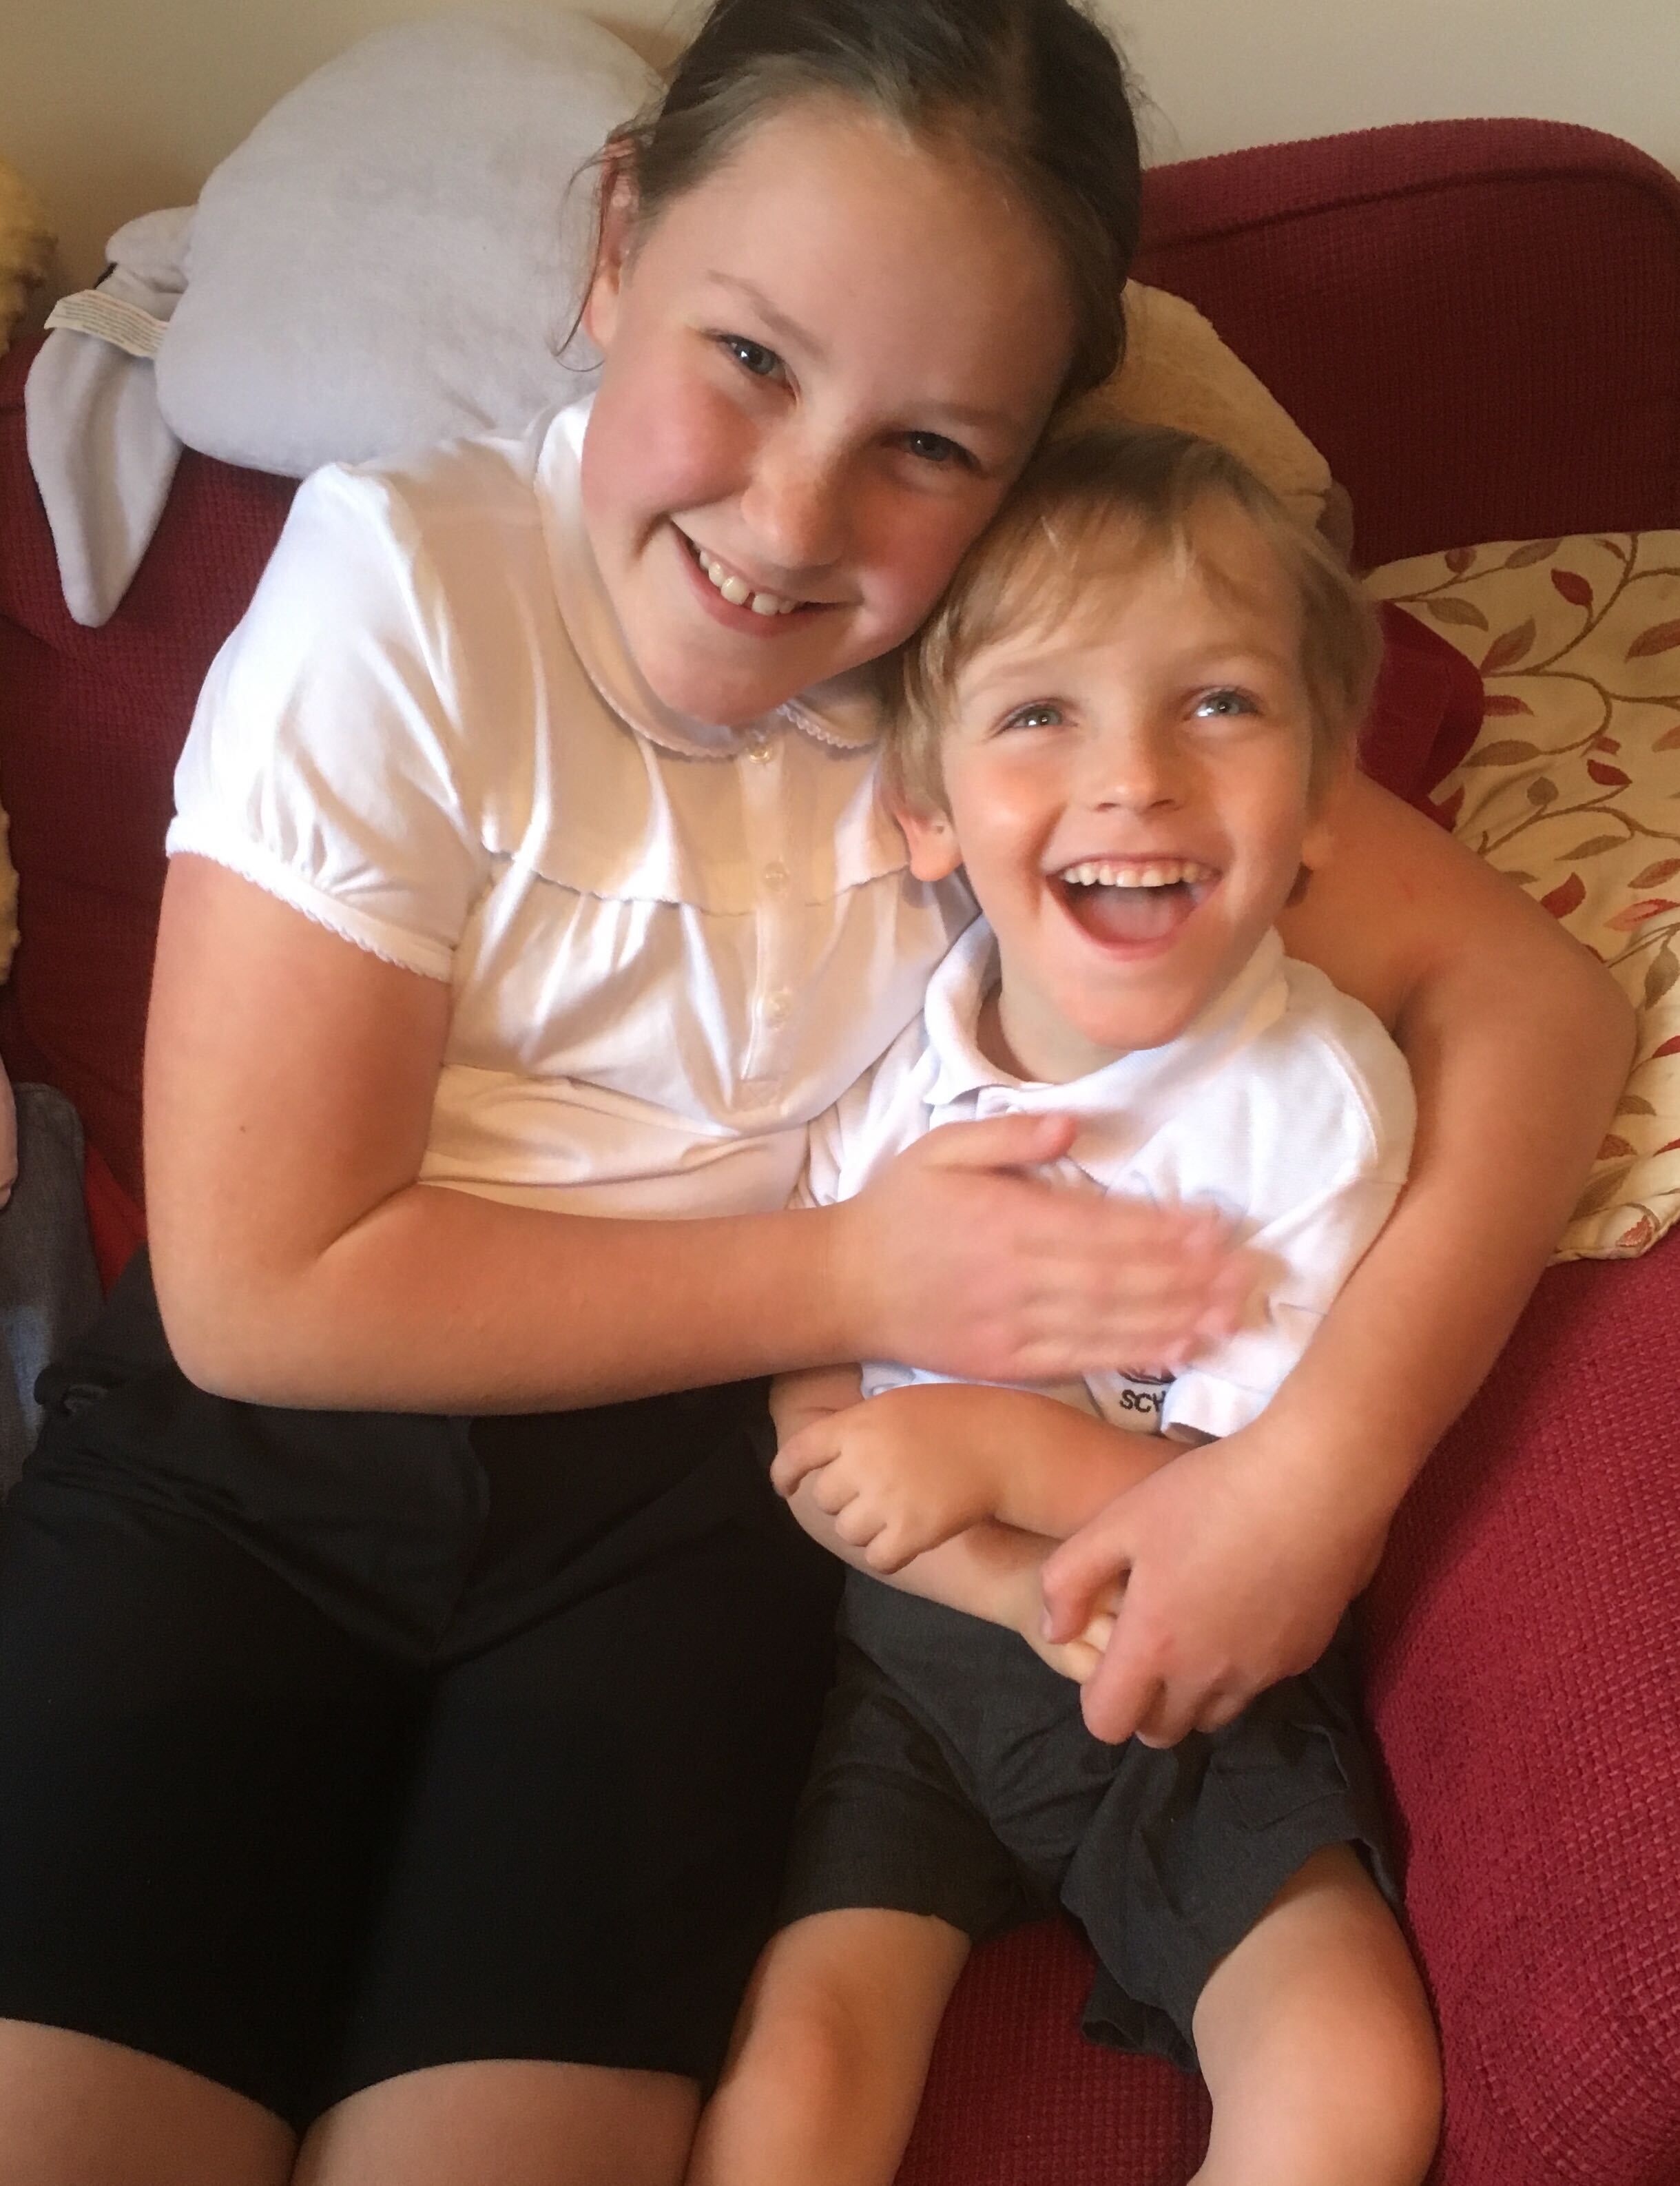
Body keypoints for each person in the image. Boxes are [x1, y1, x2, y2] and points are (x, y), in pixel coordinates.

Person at [0, 2, 1630, 2183]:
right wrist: (867, 1259)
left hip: (681, 1542)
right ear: (616, 247)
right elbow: (261, 1291)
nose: (792, 517)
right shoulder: (405, 585)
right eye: (751, 357)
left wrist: (1307, 1483)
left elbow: (1536, 1000)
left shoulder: (999, 696)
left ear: (1028, 457)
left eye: (933, 446)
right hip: (247, 1483)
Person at [687, 424, 1440, 2186]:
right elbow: (810, 1404)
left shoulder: (1313, 1101)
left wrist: (987, 1445)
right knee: (799, 2056)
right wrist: (965, 1563)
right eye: (1040, 715)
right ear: (927, 806)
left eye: (1220, 706)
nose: (1137, 784)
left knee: (1348, 2069)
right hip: (901, 1665)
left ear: (1327, 791)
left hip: (1181, 1674)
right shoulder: (897, 1058)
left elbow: (1243, 1522)